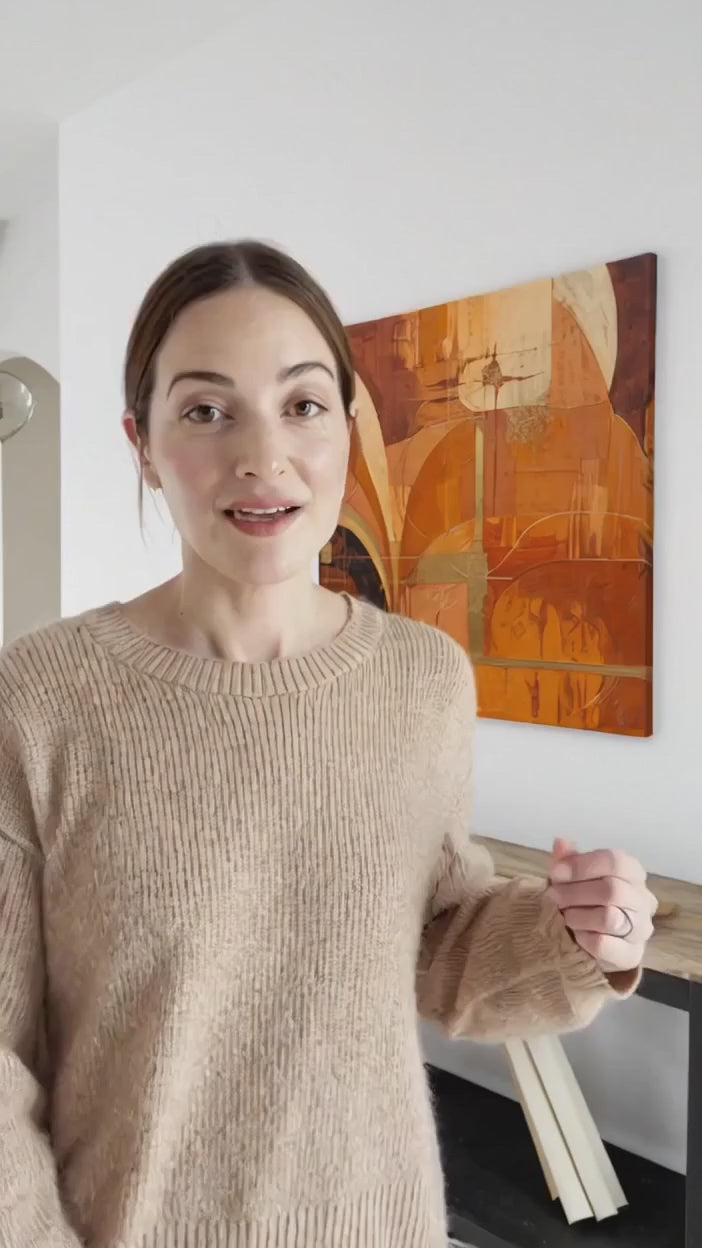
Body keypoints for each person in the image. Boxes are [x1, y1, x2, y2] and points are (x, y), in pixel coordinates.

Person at [0, 240, 656, 1248]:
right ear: (142, 444)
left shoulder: (424, 679)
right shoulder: (38, 699)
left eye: (302, 404)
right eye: (206, 410)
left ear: (347, 427)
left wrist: (575, 936)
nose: (263, 457)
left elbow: (436, 946)